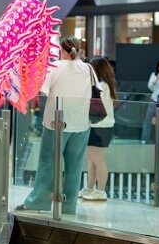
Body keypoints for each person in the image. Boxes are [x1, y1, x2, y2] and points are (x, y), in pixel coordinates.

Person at [16, 36, 91, 215]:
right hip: (81, 124)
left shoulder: (55, 67)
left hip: (56, 123)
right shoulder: (88, 68)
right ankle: (68, 205)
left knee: (48, 164)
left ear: (62, 50)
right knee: (75, 167)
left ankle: (37, 202)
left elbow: (40, 91)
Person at [81, 56, 116, 201]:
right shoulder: (104, 85)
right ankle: (89, 187)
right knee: (91, 160)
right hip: (94, 125)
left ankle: (101, 190)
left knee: (98, 160)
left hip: (102, 126)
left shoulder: (102, 86)